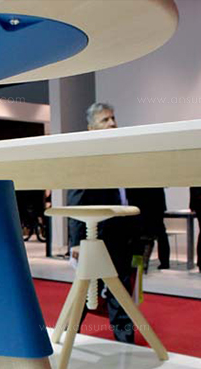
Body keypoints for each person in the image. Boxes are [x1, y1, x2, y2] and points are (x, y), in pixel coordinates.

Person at [67, 102, 136, 344]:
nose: (112, 123)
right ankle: (66, 337)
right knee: (86, 289)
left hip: (122, 233)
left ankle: (125, 342)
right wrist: (76, 242)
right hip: (95, 234)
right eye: (105, 120)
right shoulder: (86, 158)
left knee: (121, 287)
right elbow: (76, 200)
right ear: (91, 128)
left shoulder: (122, 155)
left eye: (113, 118)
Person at [126, 187, 170, 272]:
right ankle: (142, 265)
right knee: (155, 234)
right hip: (153, 201)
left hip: (142, 201)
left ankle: (138, 266)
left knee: (140, 236)